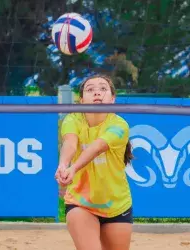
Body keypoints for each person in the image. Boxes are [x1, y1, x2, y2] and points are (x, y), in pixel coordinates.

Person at [55, 74, 134, 250]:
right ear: (81, 99)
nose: (97, 93)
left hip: (117, 206)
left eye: (103, 89)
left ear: (113, 98)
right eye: (90, 90)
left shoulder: (120, 125)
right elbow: (70, 143)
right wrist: (63, 165)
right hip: (81, 204)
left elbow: (96, 147)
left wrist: (73, 168)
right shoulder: (73, 119)